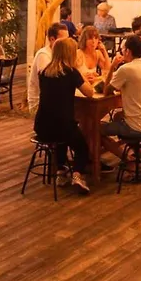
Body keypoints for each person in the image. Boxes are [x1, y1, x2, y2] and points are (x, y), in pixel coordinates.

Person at [34, 37, 95, 194]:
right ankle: (77, 174)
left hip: (42, 126)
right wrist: (82, 76)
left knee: (60, 140)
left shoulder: (44, 72)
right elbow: (89, 93)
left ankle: (61, 171)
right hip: (63, 126)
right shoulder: (71, 72)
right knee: (82, 147)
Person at [101, 36, 141, 153]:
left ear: (128, 51)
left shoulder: (125, 69)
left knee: (96, 129)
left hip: (137, 127)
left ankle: (124, 158)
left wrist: (112, 67)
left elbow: (106, 92)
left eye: (123, 49)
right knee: (118, 116)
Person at [27, 22, 69, 113]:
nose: (68, 43)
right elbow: (51, 81)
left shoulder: (62, 53)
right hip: (39, 104)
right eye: (64, 41)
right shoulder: (43, 55)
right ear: (52, 39)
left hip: (54, 100)